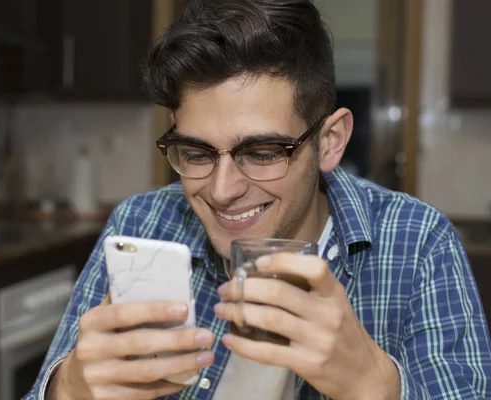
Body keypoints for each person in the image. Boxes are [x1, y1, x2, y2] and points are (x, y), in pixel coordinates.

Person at [25, 0, 491, 399]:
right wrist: (68, 389)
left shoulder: (417, 243)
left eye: (263, 152)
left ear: (330, 141)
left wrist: (376, 384)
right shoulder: (140, 225)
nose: (222, 191)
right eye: (196, 152)